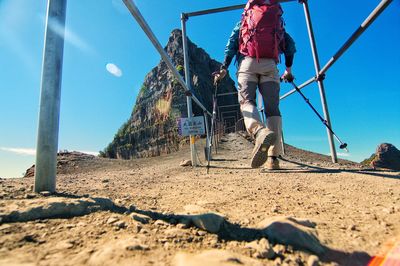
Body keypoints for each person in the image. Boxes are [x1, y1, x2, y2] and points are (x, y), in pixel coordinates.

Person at [214, 0, 296, 170]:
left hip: (248, 64)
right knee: (272, 109)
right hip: (271, 67)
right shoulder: (277, 23)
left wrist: (223, 69)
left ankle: (259, 131)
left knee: (247, 102)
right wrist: (287, 70)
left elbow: (231, 46)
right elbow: (290, 46)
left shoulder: (243, 22)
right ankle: (273, 158)